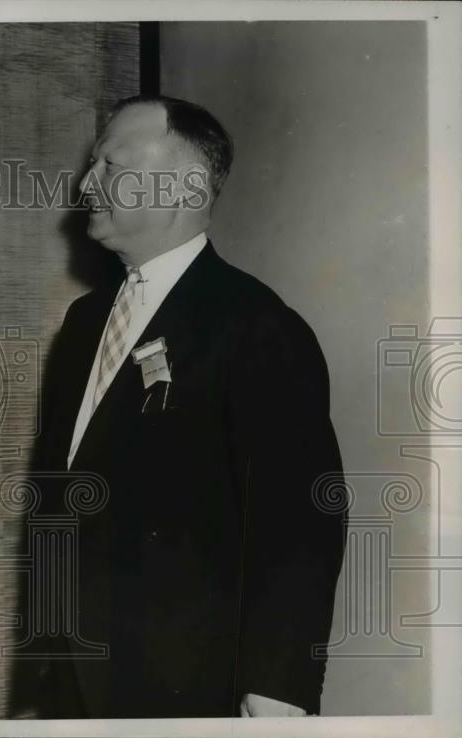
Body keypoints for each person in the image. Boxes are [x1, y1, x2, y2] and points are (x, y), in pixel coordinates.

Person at [31, 95, 348, 718]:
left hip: (188, 682)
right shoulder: (84, 320)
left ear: (186, 187)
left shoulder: (256, 325)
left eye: (111, 167)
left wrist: (278, 686)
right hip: (79, 675)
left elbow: (301, 520)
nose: (86, 184)